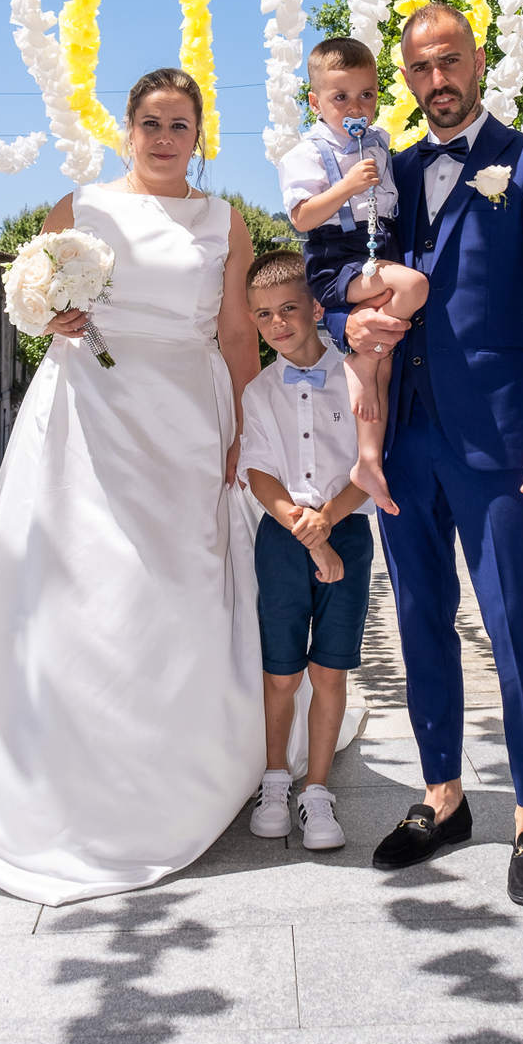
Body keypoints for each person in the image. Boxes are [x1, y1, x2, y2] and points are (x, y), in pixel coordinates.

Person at [0, 68, 265, 905]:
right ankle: (62, 771)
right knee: (84, 585)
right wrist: (55, 317)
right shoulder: (79, 208)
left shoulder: (225, 221)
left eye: (180, 125)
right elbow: (34, 305)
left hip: (188, 418)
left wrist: (250, 429)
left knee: (182, 586)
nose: (165, 138)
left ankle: (186, 762)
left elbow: (236, 334)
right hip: (89, 415)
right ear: (126, 129)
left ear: (200, 136)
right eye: (151, 123)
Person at [324, 5, 523, 907]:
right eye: (420, 68)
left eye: (450, 62)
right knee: (418, 621)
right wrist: (345, 323)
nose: (437, 81)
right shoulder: (388, 172)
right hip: (403, 438)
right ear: (404, 79)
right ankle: (443, 797)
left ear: (478, 61)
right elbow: (335, 268)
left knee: (515, 622)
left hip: (503, 442)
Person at [239, 249, 373, 853]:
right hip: (282, 537)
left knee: (329, 670)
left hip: (346, 530)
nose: (278, 323)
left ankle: (316, 790)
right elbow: (259, 473)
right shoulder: (258, 391)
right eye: (264, 315)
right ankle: (275, 781)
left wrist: (328, 525)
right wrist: (305, 530)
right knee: (282, 672)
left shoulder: (358, 377)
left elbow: (370, 467)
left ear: (317, 307)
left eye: (289, 309)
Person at [278, 36, 428, 512]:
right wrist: (346, 185)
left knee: (381, 368)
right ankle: (362, 358)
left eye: (366, 94)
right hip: (337, 257)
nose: (355, 106)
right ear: (315, 103)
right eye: (340, 97)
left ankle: (367, 461)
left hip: (379, 247)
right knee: (413, 285)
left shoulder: (379, 141)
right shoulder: (306, 153)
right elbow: (302, 218)